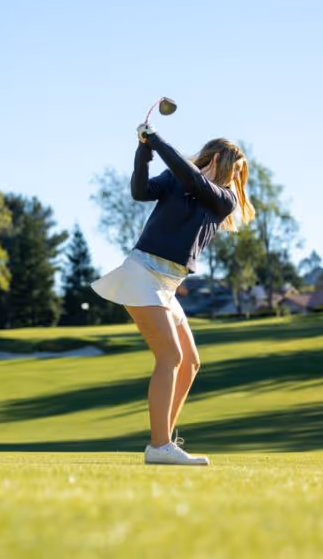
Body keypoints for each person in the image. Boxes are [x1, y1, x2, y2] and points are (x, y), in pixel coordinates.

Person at [91, 122, 256, 465]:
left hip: (166, 285)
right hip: (142, 274)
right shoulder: (178, 180)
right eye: (228, 169)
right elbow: (140, 191)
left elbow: (195, 181)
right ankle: (160, 445)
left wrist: (158, 141)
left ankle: (163, 440)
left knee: (190, 362)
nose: (231, 178)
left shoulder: (222, 200)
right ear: (214, 160)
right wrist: (143, 152)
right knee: (171, 357)